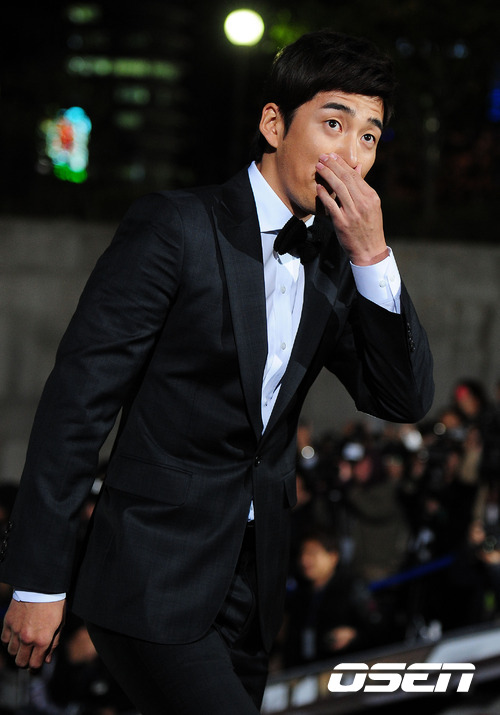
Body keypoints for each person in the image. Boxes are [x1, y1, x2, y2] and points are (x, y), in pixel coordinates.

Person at [0, 29, 434, 714]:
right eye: (334, 123)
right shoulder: (176, 226)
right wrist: (37, 578)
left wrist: (373, 257)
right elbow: (78, 402)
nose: (352, 155)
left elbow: (402, 395)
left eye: (370, 137)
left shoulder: (335, 263)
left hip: (253, 591)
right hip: (149, 573)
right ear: (273, 124)